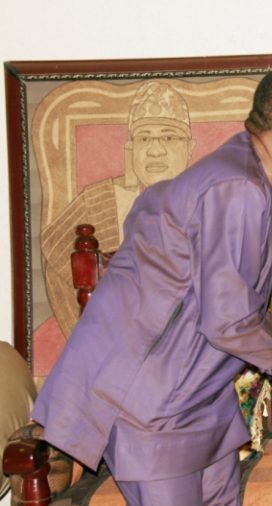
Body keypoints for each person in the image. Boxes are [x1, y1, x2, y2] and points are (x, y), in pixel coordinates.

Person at [32, 65, 272, 506]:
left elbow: (224, 304)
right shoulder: (236, 186)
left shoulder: (242, 176)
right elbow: (229, 320)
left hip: (199, 402)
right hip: (151, 408)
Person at [40, 81, 197, 339]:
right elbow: (56, 261)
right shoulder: (98, 200)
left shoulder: (212, 200)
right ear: (131, 149)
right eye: (144, 138)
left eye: (169, 137)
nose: (155, 150)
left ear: (190, 147)